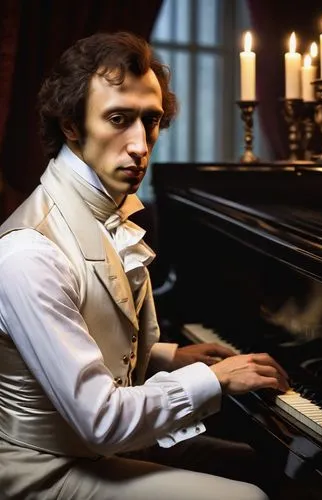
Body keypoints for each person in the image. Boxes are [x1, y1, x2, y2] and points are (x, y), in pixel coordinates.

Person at [0, 31, 289, 500]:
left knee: (255, 460)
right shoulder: (30, 254)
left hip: (89, 447)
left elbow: (78, 331)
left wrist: (166, 355)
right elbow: (102, 423)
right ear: (72, 125)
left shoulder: (107, 212)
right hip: (41, 470)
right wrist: (213, 378)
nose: (140, 144)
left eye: (151, 121)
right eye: (118, 119)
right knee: (248, 497)